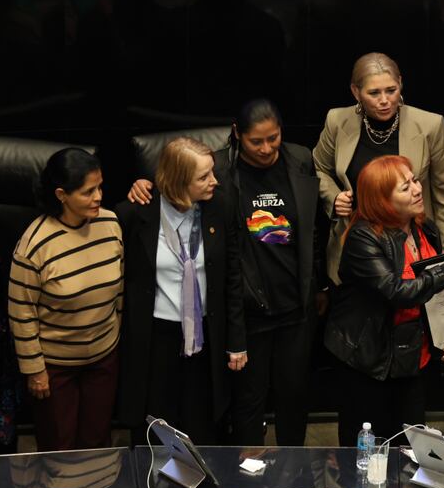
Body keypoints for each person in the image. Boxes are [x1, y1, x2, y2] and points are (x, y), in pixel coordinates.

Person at [128, 100, 326, 446]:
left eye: (274, 138)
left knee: (294, 396)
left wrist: (319, 284)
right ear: (237, 134)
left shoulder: (300, 159)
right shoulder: (217, 168)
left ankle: (295, 473)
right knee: (246, 402)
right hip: (247, 309)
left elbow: (312, 228)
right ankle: (247, 473)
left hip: (295, 304)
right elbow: (178, 182)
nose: (267, 148)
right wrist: (143, 185)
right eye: (256, 141)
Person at [323, 155, 444, 446]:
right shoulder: (363, 238)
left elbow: (431, 296)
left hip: (412, 358)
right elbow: (397, 292)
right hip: (369, 361)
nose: (417, 189)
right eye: (405, 187)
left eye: (415, 180)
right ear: (382, 200)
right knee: (367, 449)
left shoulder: (425, 229)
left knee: (409, 447)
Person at [116, 137, 246, 445]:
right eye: (203, 177)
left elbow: (233, 277)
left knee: (202, 427)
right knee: (157, 430)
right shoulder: (136, 213)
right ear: (177, 181)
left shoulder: (221, 207)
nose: (214, 181)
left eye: (212, 171)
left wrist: (236, 340)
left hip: (205, 337)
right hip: (156, 339)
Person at [8, 148, 123, 451]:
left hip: (103, 359)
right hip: (55, 368)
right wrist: (35, 370)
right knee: (60, 447)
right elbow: (21, 312)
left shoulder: (110, 224)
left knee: (97, 443)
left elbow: (119, 291)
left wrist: (112, 338)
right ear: (62, 195)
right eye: (88, 192)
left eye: (100, 187)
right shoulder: (34, 244)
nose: (99, 197)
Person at [313, 52, 444, 284]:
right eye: (374, 93)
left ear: (400, 83)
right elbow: (318, 167)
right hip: (356, 249)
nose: (385, 100)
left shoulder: (430, 125)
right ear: (356, 92)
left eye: (391, 90)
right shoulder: (337, 120)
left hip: (414, 249)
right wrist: (334, 198)